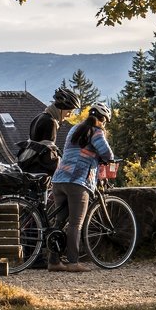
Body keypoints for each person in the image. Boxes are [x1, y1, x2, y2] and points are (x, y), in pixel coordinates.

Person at [48, 101, 116, 272]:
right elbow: (108, 154)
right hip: (78, 181)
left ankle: (54, 261)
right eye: (105, 121)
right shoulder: (97, 132)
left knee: (60, 220)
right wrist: (107, 160)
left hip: (59, 179)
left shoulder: (75, 129)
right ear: (102, 119)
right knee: (75, 224)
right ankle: (73, 262)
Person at [16, 87, 79, 174]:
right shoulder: (50, 122)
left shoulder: (40, 117)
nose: (69, 115)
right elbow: (48, 155)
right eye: (69, 112)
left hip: (26, 163)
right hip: (37, 169)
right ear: (61, 108)